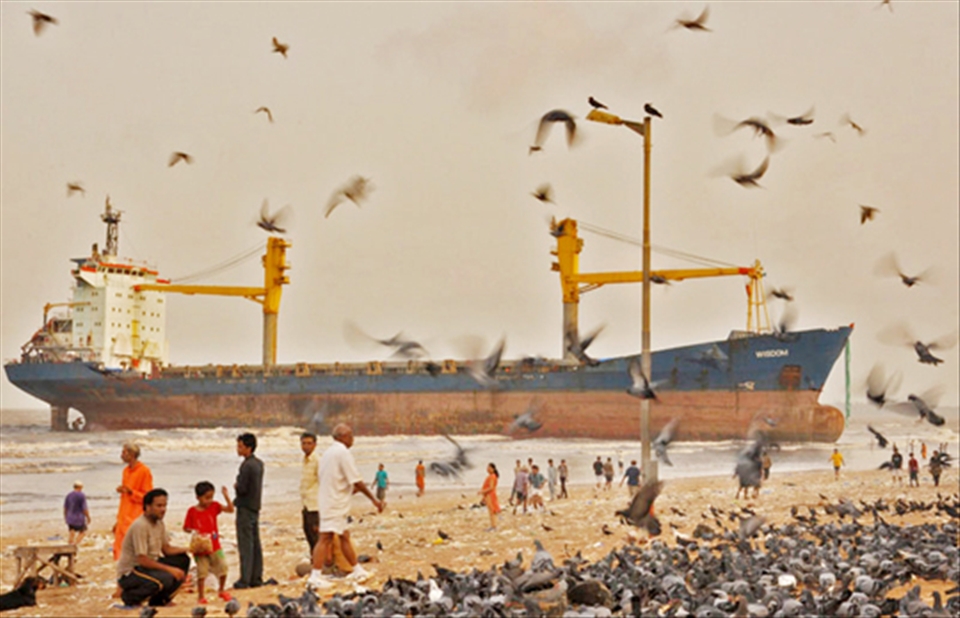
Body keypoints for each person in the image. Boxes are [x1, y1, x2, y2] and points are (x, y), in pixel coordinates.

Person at [308, 424, 383, 589]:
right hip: (333, 503)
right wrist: (374, 499)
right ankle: (315, 576)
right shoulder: (342, 452)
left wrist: (348, 491)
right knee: (325, 538)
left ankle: (357, 570)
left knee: (344, 536)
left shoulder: (328, 453)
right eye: (350, 436)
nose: (352, 439)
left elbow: (337, 480)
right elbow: (356, 480)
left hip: (330, 500)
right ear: (342, 437)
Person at [116, 488, 190, 608]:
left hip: (149, 565)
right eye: (159, 506)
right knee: (167, 577)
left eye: (164, 505)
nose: (163, 509)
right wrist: (170, 569)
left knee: (183, 560)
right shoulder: (140, 525)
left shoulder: (159, 523)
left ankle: (161, 600)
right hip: (132, 571)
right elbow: (142, 559)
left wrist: (190, 548)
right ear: (148, 507)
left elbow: (166, 549)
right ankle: (130, 597)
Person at [184, 481, 234, 605]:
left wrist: (226, 496)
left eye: (211, 497)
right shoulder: (192, 511)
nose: (209, 500)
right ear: (198, 497)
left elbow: (230, 509)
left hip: (215, 545)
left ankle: (221, 590)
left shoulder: (214, 506)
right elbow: (186, 528)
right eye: (206, 498)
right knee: (202, 572)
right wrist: (193, 531)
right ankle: (201, 596)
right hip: (200, 548)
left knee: (223, 567)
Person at [233, 433, 264, 589]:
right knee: (255, 543)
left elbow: (243, 488)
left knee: (245, 544)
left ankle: (245, 579)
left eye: (240, 446)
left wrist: (236, 486)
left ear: (248, 447)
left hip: (245, 507)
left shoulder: (246, 465)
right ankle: (256, 577)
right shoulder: (258, 464)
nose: (238, 449)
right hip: (255, 505)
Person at [114, 443, 153, 561]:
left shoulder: (144, 471)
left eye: (124, 452)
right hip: (124, 515)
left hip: (135, 516)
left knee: (134, 549)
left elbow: (148, 497)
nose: (121, 455)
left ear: (132, 454)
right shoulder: (126, 471)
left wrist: (131, 492)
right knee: (120, 548)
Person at [299, 432, 320, 555]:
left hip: (316, 505)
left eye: (309, 443)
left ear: (315, 445)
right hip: (306, 504)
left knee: (316, 536)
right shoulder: (305, 460)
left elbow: (324, 481)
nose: (306, 446)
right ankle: (315, 559)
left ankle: (321, 562)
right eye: (304, 443)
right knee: (308, 534)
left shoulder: (317, 460)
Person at [64, 480, 90, 545]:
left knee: (71, 531)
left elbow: (65, 508)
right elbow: (84, 508)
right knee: (83, 532)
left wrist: (65, 517)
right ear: (81, 487)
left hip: (70, 517)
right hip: (79, 518)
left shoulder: (69, 495)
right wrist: (88, 517)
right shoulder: (81, 495)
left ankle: (70, 544)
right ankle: (75, 544)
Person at [479, 463, 501, 531]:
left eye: (489, 468)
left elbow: (491, 487)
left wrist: (482, 491)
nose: (488, 469)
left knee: (492, 511)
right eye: (487, 468)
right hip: (488, 495)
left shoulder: (492, 476)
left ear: (493, 469)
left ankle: (494, 526)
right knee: (491, 511)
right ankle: (492, 525)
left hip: (490, 495)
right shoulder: (491, 476)